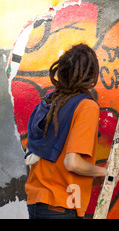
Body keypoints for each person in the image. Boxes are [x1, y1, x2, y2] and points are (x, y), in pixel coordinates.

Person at [25, 43, 107, 219]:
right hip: (61, 206)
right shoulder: (86, 106)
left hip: (37, 202)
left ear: (61, 72)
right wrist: (104, 172)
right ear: (92, 75)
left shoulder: (50, 102)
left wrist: (90, 177)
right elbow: (72, 163)